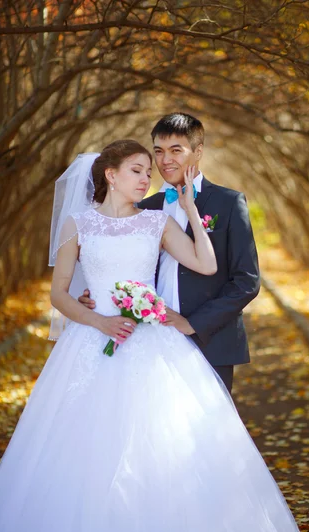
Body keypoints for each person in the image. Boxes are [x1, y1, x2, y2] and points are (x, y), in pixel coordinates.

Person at [0, 140, 307, 532]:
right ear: (110, 175)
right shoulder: (77, 224)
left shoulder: (155, 221)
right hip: (90, 341)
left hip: (152, 343)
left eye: (148, 172)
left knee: (162, 444)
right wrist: (98, 319)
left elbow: (205, 262)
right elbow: (59, 294)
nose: (148, 179)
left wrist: (191, 211)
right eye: (138, 170)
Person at [79, 113, 260, 393]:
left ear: (198, 151)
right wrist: (97, 294)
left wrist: (192, 324)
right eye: (159, 151)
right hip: (147, 338)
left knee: (206, 431)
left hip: (209, 339)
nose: (166, 160)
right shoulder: (145, 206)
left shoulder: (228, 202)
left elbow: (247, 281)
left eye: (176, 150)